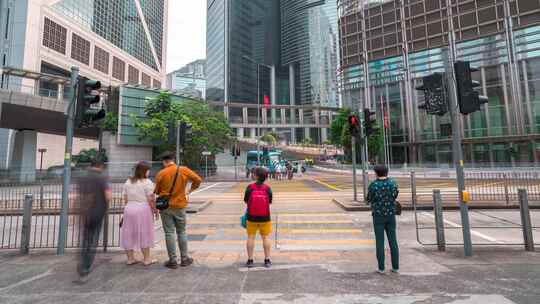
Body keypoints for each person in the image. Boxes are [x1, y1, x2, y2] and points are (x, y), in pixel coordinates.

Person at [154, 153, 202, 269]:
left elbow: (157, 191)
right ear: (173, 160)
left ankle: (173, 260)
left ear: (164, 162)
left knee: (169, 232)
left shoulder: (161, 173)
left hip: (165, 207)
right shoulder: (183, 170)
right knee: (181, 231)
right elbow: (198, 179)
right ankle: (184, 259)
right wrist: (190, 190)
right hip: (180, 205)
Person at [75, 159, 111, 283]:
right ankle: (86, 265)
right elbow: (108, 196)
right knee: (93, 239)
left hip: (85, 213)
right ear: (101, 166)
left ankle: (82, 261)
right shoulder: (102, 178)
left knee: (85, 238)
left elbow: (78, 195)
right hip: (97, 212)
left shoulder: (83, 177)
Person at [120, 161, 158, 266]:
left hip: (129, 209)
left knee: (129, 233)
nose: (149, 172)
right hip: (143, 209)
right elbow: (151, 199)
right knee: (144, 233)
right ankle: (146, 259)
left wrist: (128, 209)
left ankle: (130, 259)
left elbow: (125, 198)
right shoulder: (147, 182)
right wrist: (155, 210)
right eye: (148, 170)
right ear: (144, 171)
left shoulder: (128, 181)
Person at [366, 164, 399, 274]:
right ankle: (395, 267)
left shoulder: (373, 185)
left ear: (376, 173)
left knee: (380, 242)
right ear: (387, 172)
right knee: (393, 241)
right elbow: (395, 195)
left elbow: (369, 199)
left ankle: (381, 268)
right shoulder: (392, 183)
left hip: (378, 216)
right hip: (391, 215)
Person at [244, 167, 273, 268]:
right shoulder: (267, 188)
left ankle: (250, 260)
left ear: (256, 176)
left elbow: (246, 200)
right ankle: (267, 260)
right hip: (265, 217)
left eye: (254, 173)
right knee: (265, 238)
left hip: (251, 217)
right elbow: (269, 201)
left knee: (251, 237)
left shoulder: (250, 187)